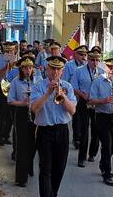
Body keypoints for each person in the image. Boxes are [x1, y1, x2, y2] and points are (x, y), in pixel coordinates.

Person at [30, 56, 77, 197]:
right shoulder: (38, 86)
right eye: (52, 69)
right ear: (47, 69)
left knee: (59, 168)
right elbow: (34, 108)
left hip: (62, 130)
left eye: (58, 69)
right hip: (45, 131)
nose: (55, 72)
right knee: (45, 169)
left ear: (62, 71)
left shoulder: (67, 87)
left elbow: (72, 110)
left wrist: (61, 94)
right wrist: (48, 93)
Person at [89, 53, 113, 186]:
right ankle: (107, 173)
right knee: (106, 144)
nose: (112, 69)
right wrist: (104, 100)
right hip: (102, 116)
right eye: (110, 67)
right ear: (105, 67)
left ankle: (103, 162)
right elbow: (90, 101)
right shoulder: (98, 81)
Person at [7, 56, 42, 187]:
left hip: (35, 113)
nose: (28, 70)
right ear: (21, 69)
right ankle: (21, 178)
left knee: (33, 144)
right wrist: (22, 102)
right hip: (21, 113)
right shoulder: (16, 82)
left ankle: (29, 166)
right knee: (21, 146)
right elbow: (10, 100)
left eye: (30, 67)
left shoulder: (38, 81)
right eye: (25, 68)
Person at [71, 49, 104, 168]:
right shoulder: (79, 71)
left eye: (97, 60)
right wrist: (84, 96)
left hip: (97, 104)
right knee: (84, 130)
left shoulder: (101, 72)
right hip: (84, 102)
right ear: (88, 60)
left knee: (96, 130)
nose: (95, 62)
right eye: (92, 60)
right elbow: (74, 87)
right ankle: (81, 157)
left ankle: (92, 153)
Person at [62, 45, 88, 149]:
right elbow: (65, 81)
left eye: (85, 54)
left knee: (83, 120)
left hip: (84, 97)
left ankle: (81, 137)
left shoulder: (86, 65)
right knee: (76, 118)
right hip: (74, 95)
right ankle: (77, 138)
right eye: (81, 54)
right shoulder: (69, 65)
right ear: (75, 54)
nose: (83, 56)